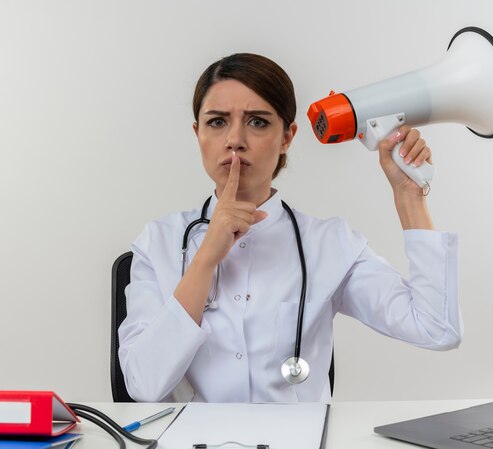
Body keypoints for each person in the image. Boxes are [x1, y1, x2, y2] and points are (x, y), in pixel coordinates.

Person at [118, 53, 461, 403]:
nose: (235, 139)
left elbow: (436, 329)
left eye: (257, 122)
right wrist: (205, 258)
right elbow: (143, 385)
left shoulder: (329, 244)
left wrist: (410, 198)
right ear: (198, 134)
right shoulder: (158, 242)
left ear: (287, 137)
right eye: (217, 122)